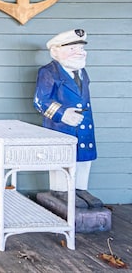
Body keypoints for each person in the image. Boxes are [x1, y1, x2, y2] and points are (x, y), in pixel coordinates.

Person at [33, 29, 103, 209]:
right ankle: (61, 190)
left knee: (84, 157)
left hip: (84, 124)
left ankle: (80, 188)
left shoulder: (82, 72)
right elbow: (40, 101)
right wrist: (62, 114)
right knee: (62, 157)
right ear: (55, 51)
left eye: (81, 48)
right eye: (73, 48)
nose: (80, 52)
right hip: (61, 126)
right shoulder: (49, 72)